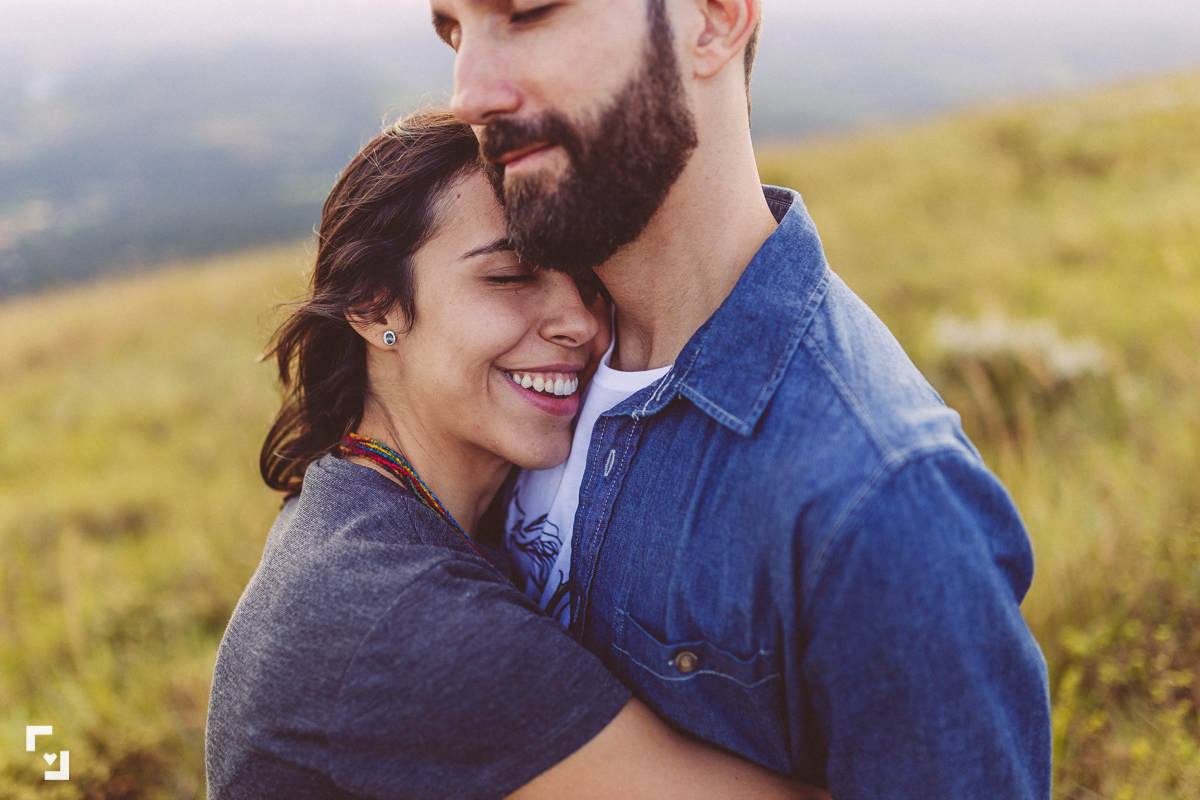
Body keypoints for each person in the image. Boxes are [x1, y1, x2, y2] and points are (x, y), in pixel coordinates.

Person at [430, 0, 1053, 797]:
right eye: (453, 31)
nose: (467, 92)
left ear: (717, 19)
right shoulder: (507, 369)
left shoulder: (884, 502)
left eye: (526, 12)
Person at [205, 110, 829, 800]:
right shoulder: (402, 616)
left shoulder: (359, 497)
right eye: (510, 275)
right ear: (376, 306)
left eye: (588, 281)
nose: (580, 323)